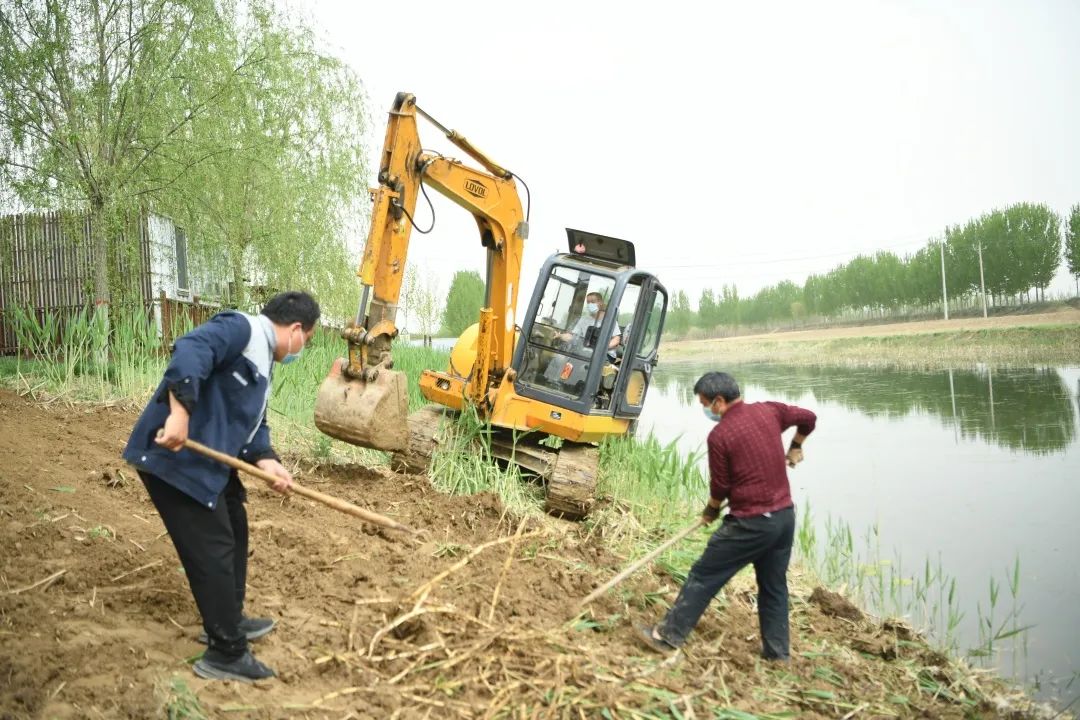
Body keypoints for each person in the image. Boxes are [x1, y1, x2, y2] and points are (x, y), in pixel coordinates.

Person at [122, 291, 320, 682]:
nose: (302, 349)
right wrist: (180, 413)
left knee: (235, 527)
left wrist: (270, 463)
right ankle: (226, 653)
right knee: (213, 549)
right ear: (296, 329)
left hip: (210, 464)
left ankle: (229, 618)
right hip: (175, 459)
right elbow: (192, 349)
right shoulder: (242, 329)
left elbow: (252, 429)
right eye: (307, 341)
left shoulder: (263, 363)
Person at [638, 371, 816, 662]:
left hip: (750, 524)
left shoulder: (720, 435)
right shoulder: (770, 411)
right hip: (783, 518)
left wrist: (710, 510)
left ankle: (666, 636)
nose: (705, 410)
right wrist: (796, 445)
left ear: (719, 401)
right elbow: (808, 418)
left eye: (705, 404)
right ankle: (778, 654)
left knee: (704, 576)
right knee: (774, 587)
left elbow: (720, 487)